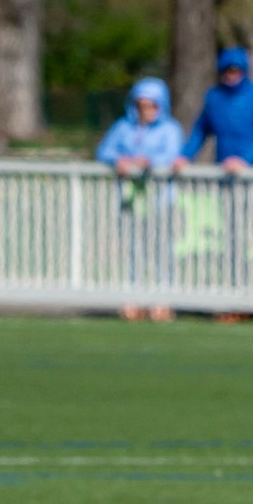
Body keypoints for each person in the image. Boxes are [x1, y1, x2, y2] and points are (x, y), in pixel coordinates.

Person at [94, 77, 185, 322]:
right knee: (133, 249)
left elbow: (172, 154)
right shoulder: (124, 126)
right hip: (131, 200)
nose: (146, 111)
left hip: (160, 199)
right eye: (141, 105)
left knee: (161, 249)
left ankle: (162, 299)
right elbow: (104, 150)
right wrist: (119, 160)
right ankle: (132, 298)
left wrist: (149, 162)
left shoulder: (170, 128)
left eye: (151, 106)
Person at [174, 48, 253, 172]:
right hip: (225, 171)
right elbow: (201, 130)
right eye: (227, 71)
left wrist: (245, 160)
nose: (231, 75)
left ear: (244, 71)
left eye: (235, 71)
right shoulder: (215, 97)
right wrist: (185, 156)